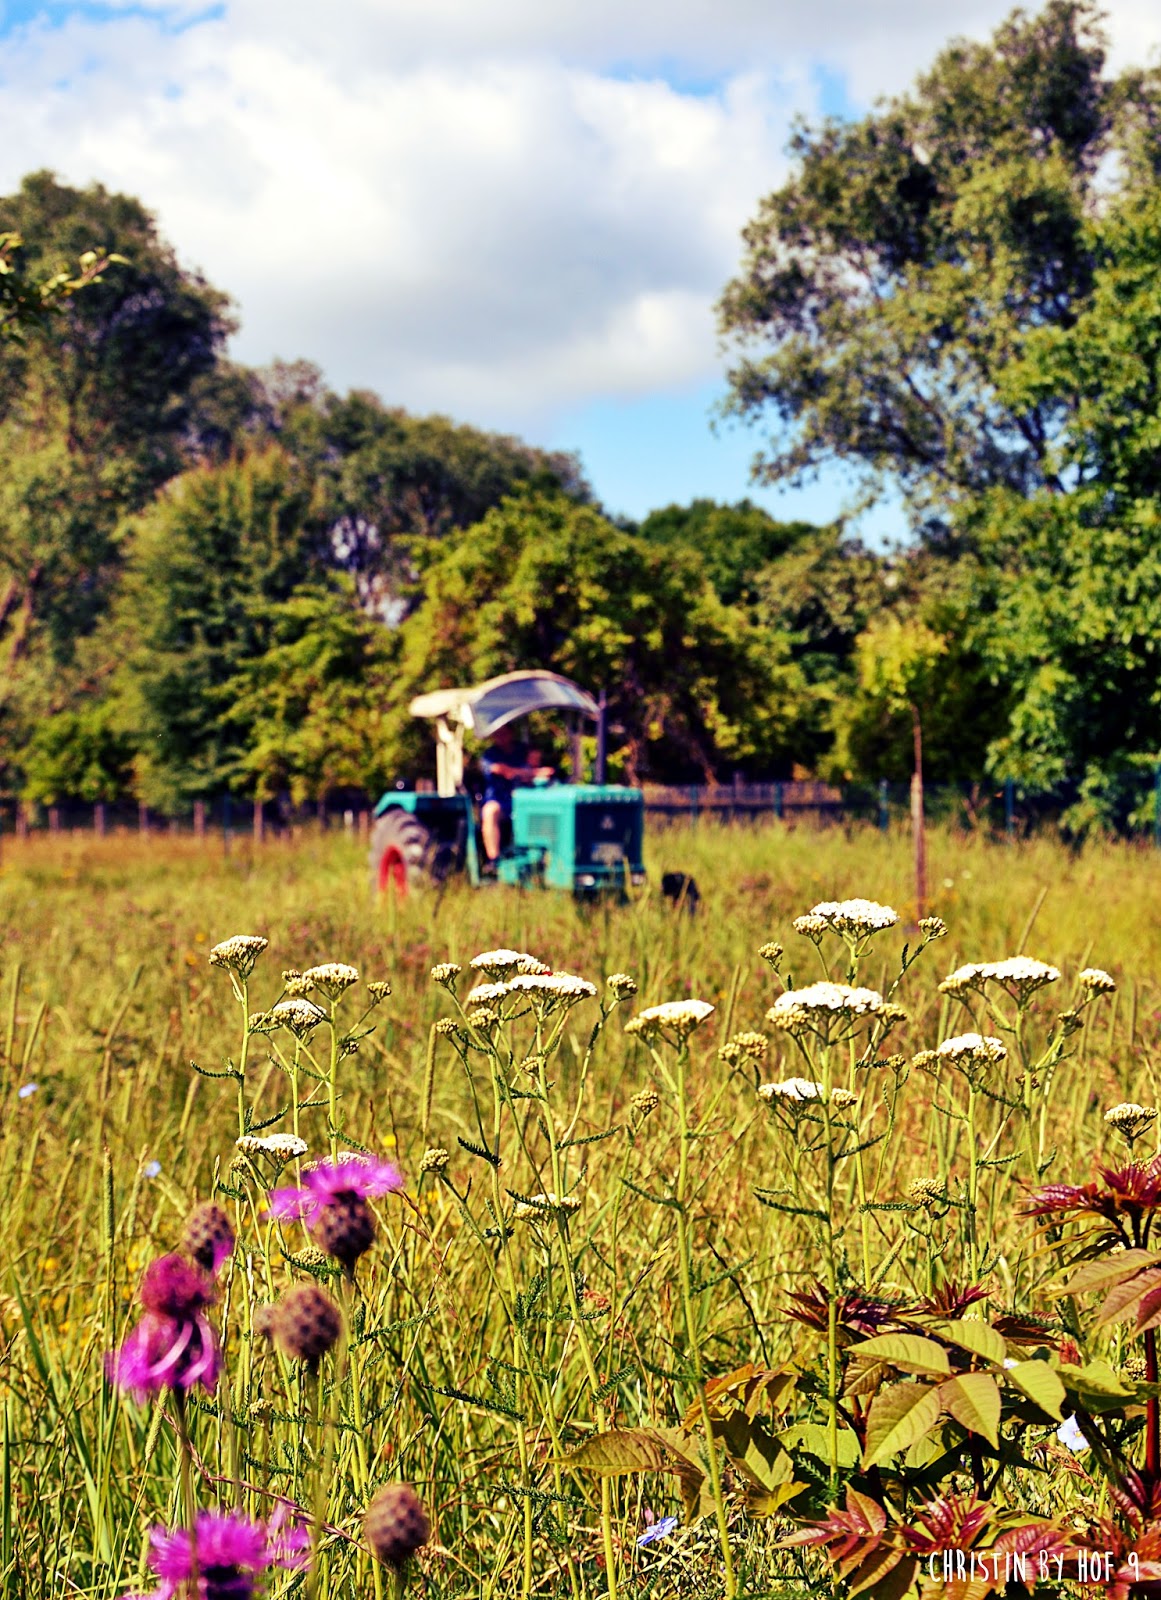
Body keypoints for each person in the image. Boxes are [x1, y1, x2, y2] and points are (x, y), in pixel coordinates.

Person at [479, 723, 553, 863]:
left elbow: (539, 769)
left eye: (504, 733)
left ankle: (541, 858)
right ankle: (494, 860)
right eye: (498, 734)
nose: (501, 737)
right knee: (490, 811)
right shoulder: (490, 755)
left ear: (511, 733)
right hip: (500, 801)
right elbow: (504, 771)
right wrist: (533, 773)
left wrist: (533, 773)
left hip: (524, 799)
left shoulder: (522, 750)